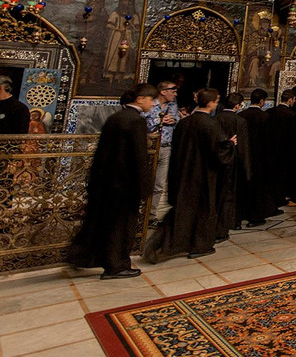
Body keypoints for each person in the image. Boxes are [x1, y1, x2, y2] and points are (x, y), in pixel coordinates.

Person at [68, 83, 158, 279]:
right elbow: (138, 157)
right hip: (125, 184)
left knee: (105, 222)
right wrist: (145, 185)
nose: (153, 104)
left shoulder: (116, 117)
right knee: (121, 227)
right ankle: (116, 265)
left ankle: (89, 257)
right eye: (151, 99)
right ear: (140, 99)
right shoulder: (136, 121)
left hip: (107, 181)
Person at [143, 88, 236, 263]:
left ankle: (166, 244)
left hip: (182, 172)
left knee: (182, 209)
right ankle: (199, 245)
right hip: (202, 175)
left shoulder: (185, 123)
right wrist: (230, 144)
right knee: (203, 210)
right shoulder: (210, 124)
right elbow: (219, 151)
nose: (216, 105)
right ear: (210, 103)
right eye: (215, 102)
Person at [238, 88, 279, 225]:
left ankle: (242, 212)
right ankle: (256, 215)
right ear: (262, 101)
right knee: (258, 188)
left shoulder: (241, 115)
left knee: (244, 185)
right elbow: (269, 140)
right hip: (260, 157)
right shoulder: (265, 117)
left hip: (243, 155)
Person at [214, 92, 251, 239]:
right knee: (231, 195)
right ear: (237, 106)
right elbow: (244, 147)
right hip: (233, 162)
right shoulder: (240, 121)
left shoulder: (215, 119)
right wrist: (246, 168)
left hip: (217, 162)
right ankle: (230, 222)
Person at [143, 80, 179, 222]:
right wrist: (159, 121)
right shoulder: (150, 104)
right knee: (145, 180)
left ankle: (151, 215)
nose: (175, 94)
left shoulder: (173, 106)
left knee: (159, 184)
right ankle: (140, 213)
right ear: (163, 92)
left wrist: (174, 121)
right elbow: (142, 123)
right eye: (173, 91)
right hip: (150, 147)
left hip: (166, 147)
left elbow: (176, 121)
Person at [267, 88, 296, 206]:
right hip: (285, 151)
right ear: (290, 100)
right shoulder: (292, 115)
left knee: (271, 175)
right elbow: (293, 135)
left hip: (270, 149)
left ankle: (270, 197)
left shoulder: (270, 112)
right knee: (282, 176)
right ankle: (279, 199)